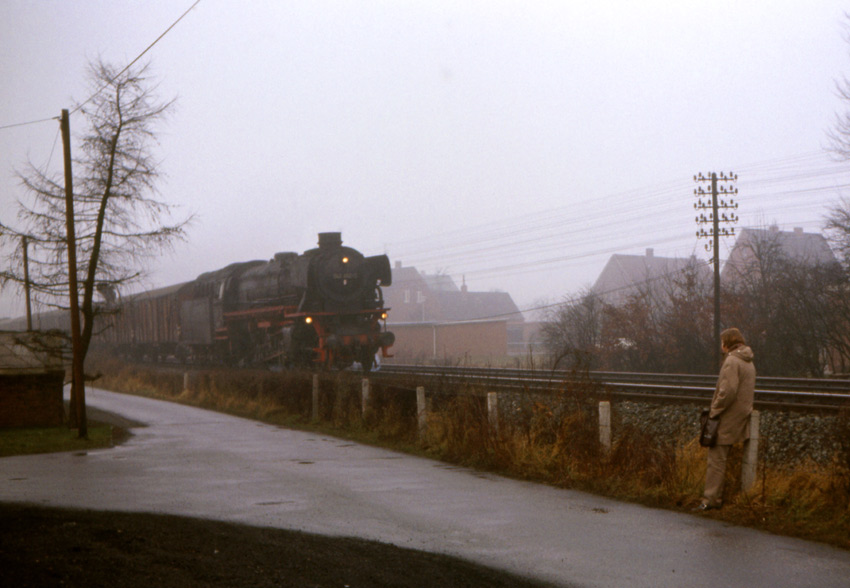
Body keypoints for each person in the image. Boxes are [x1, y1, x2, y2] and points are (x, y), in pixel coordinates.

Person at [694, 327, 756, 511]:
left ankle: (711, 500)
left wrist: (714, 410)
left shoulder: (731, 361)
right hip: (741, 415)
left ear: (726, 343)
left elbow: (727, 391)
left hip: (727, 417)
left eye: (722, 342)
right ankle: (724, 496)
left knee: (716, 460)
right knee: (727, 459)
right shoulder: (749, 361)